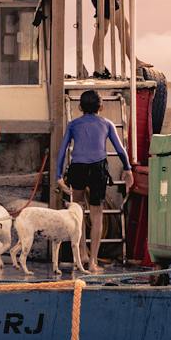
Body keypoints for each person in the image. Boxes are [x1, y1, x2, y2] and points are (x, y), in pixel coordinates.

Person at [56, 88, 134, 273]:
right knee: (96, 215)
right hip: (97, 168)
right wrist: (128, 169)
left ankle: (82, 254)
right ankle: (92, 262)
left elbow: (62, 151)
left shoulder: (73, 125)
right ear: (102, 106)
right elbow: (121, 150)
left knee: (78, 212)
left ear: (80, 107)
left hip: (78, 168)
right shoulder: (107, 124)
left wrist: (58, 176)